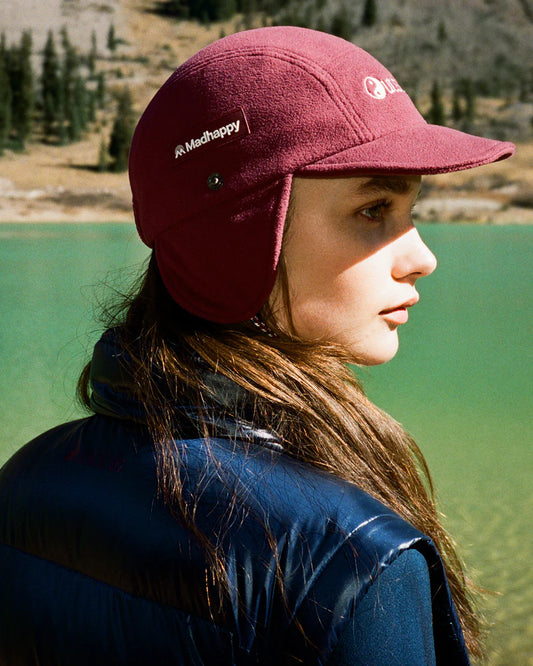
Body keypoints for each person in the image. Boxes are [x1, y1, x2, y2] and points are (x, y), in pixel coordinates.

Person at [0, 26, 514, 665]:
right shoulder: (356, 567)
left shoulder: (25, 481)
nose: (422, 258)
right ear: (239, 239)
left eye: (412, 213)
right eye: (373, 210)